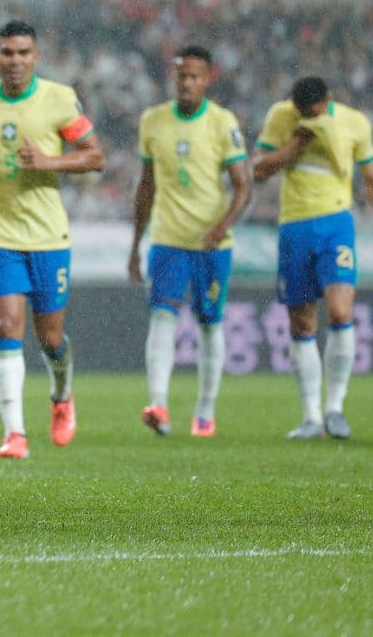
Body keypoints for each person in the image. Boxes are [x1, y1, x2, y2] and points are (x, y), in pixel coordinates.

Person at [0, 21, 105, 459]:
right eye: (7, 53)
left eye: (24, 53)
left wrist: (47, 162)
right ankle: (15, 433)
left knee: (49, 339)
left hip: (47, 236)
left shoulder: (59, 99)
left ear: (36, 57)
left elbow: (96, 156)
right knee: (6, 326)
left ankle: (61, 396)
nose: (15, 61)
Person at [129, 46, 251, 438]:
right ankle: (159, 405)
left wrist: (222, 226)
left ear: (208, 78)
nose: (187, 83)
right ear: (173, 76)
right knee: (162, 316)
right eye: (182, 76)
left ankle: (205, 412)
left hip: (212, 244)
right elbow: (145, 185)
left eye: (195, 77)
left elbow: (243, 186)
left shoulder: (221, 122)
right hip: (167, 239)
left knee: (209, 324)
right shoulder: (153, 121)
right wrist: (135, 243)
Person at [253, 76, 373, 440]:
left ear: (329, 100)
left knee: (340, 312)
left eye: (314, 111)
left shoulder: (354, 122)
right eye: (301, 111)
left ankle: (335, 408)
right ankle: (312, 418)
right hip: (294, 225)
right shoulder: (281, 117)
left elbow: (369, 176)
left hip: (336, 222)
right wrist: (297, 143)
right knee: (302, 324)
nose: (307, 115)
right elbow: (259, 169)